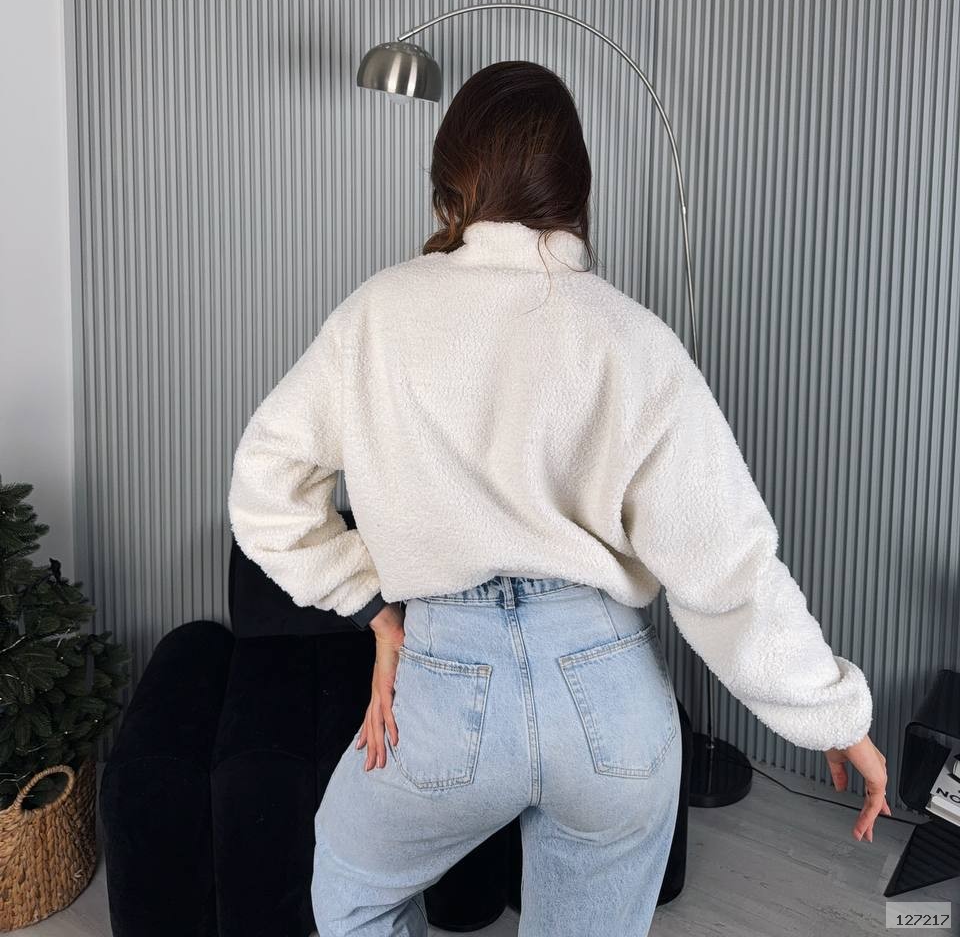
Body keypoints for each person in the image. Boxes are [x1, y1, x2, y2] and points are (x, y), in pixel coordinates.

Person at [227, 60, 889, 936]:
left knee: (351, 888)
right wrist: (834, 717)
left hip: (447, 685)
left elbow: (265, 485)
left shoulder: (379, 315)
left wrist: (373, 608)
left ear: (449, 188)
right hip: (610, 702)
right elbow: (727, 563)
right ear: (577, 193)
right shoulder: (634, 338)